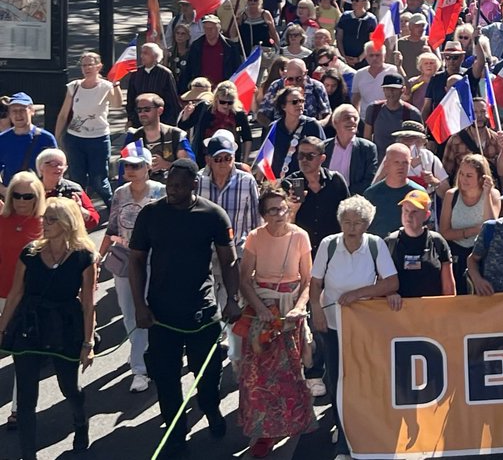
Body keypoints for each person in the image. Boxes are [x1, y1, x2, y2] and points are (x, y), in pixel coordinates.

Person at [129, 159, 241, 457]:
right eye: (169, 185)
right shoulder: (150, 215)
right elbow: (136, 261)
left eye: (178, 186)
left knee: (207, 377)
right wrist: (139, 305)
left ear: (194, 184)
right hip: (162, 315)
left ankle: (210, 408)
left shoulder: (213, 215)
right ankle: (176, 431)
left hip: (202, 312)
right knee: (165, 378)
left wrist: (232, 299)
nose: (172, 190)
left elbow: (229, 261)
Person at [0, 197, 96, 459]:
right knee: (26, 398)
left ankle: (80, 422)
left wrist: (88, 344)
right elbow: (16, 293)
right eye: (45, 217)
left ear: (67, 223)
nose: (45, 222)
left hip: (65, 327)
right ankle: (28, 455)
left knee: (69, 388)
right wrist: (1, 329)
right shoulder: (29, 253)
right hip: (30, 326)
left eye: (52, 218)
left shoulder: (84, 257)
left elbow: (88, 304)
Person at [310, 196, 399, 460]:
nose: (351, 228)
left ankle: (362, 431)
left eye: (357, 223)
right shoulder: (328, 245)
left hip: (363, 328)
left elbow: (391, 283)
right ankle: (343, 438)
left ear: (366, 224)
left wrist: (359, 294)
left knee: (363, 380)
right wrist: (316, 309)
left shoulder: (375, 245)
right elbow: (315, 283)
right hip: (333, 326)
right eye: (346, 222)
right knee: (337, 380)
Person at [236, 187, 316, 458]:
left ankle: (295, 422)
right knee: (259, 376)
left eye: (283, 208)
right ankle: (264, 432)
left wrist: (299, 308)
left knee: (291, 372)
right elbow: (245, 279)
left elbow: (308, 281)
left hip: (290, 312)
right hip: (263, 312)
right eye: (273, 210)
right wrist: (259, 309)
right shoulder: (254, 238)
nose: (280, 214)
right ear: (263, 215)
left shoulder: (300, 236)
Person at [99, 144, 164, 393]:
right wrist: (99, 256)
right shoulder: (120, 194)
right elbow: (112, 227)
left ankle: (140, 368)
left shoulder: (160, 192)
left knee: (147, 310)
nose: (131, 169)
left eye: (136, 165)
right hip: (124, 257)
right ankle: (141, 351)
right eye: (127, 165)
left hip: (152, 259)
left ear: (148, 167)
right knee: (129, 311)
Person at [0, 171, 44, 429]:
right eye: (16, 195)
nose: (21, 200)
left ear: (37, 197)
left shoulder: (44, 223)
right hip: (0, 292)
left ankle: (19, 409)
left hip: (27, 299)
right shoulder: (2, 221)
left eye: (28, 196)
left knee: (23, 357)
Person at [54, 50, 121, 206]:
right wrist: (57, 139)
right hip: (75, 139)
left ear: (98, 66)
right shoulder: (74, 86)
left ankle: (113, 210)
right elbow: (63, 115)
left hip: (98, 139)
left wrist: (116, 85)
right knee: (77, 180)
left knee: (99, 180)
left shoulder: (105, 86)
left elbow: (117, 104)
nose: (86, 68)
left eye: (90, 64)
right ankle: (80, 212)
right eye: (84, 65)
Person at [385, 190, 456, 303]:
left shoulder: (437, 242)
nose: (409, 216)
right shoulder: (390, 243)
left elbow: (448, 289)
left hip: (430, 313)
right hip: (399, 314)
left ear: (426, 215)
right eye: (406, 210)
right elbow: (381, 283)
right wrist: (390, 294)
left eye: (414, 212)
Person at [0, 93, 58, 193]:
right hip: (11, 195)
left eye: (22, 110)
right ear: (9, 114)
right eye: (14, 111)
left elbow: (55, 169)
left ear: (32, 111)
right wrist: (4, 191)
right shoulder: (3, 139)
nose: (18, 115)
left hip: (39, 194)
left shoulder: (46, 138)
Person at [364, 143, 423, 236]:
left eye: (405, 162)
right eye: (396, 162)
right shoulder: (371, 194)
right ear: (386, 164)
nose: (401, 167)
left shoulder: (418, 193)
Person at [36, 149, 100, 229]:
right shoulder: (31, 189)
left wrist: (80, 210)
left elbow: (94, 221)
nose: (58, 167)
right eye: (52, 164)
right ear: (41, 167)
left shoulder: (73, 189)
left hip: (66, 237)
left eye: (61, 164)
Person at [324, 104, 378, 196]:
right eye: (347, 118)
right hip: (327, 198)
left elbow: (369, 180)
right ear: (335, 122)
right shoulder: (324, 147)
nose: (352, 121)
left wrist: (346, 194)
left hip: (354, 200)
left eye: (355, 118)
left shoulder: (367, 148)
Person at [124, 42, 183, 125]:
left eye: (146, 53)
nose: (142, 56)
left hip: (161, 121)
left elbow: (172, 100)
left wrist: (170, 122)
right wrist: (131, 118)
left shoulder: (165, 73)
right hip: (139, 121)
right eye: (141, 53)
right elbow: (130, 98)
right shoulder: (136, 74)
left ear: (155, 56)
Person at [184, 15, 244, 92]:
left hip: (223, 88)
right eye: (206, 28)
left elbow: (236, 68)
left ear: (218, 29)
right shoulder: (196, 45)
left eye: (211, 29)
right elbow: (189, 68)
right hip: (201, 88)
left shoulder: (230, 46)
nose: (208, 31)